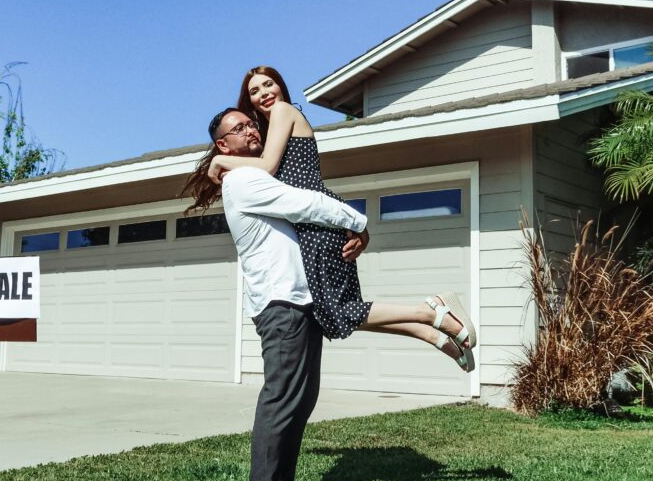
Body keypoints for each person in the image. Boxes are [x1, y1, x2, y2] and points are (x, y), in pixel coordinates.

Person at [188, 66, 477, 370]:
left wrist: (220, 159)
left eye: (268, 84)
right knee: (334, 314)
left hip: (317, 221)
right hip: (311, 225)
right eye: (254, 92)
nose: (263, 94)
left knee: (338, 312)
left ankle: (431, 312)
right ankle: (430, 333)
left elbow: (269, 165)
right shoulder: (270, 129)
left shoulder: (284, 112)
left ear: (281, 87)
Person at [186, 107, 370, 481]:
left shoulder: (256, 173)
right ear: (222, 145)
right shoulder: (243, 180)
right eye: (239, 128)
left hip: (300, 300)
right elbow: (302, 203)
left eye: (251, 124)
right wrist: (359, 221)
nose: (250, 129)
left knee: (301, 400)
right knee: (281, 399)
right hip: (281, 304)